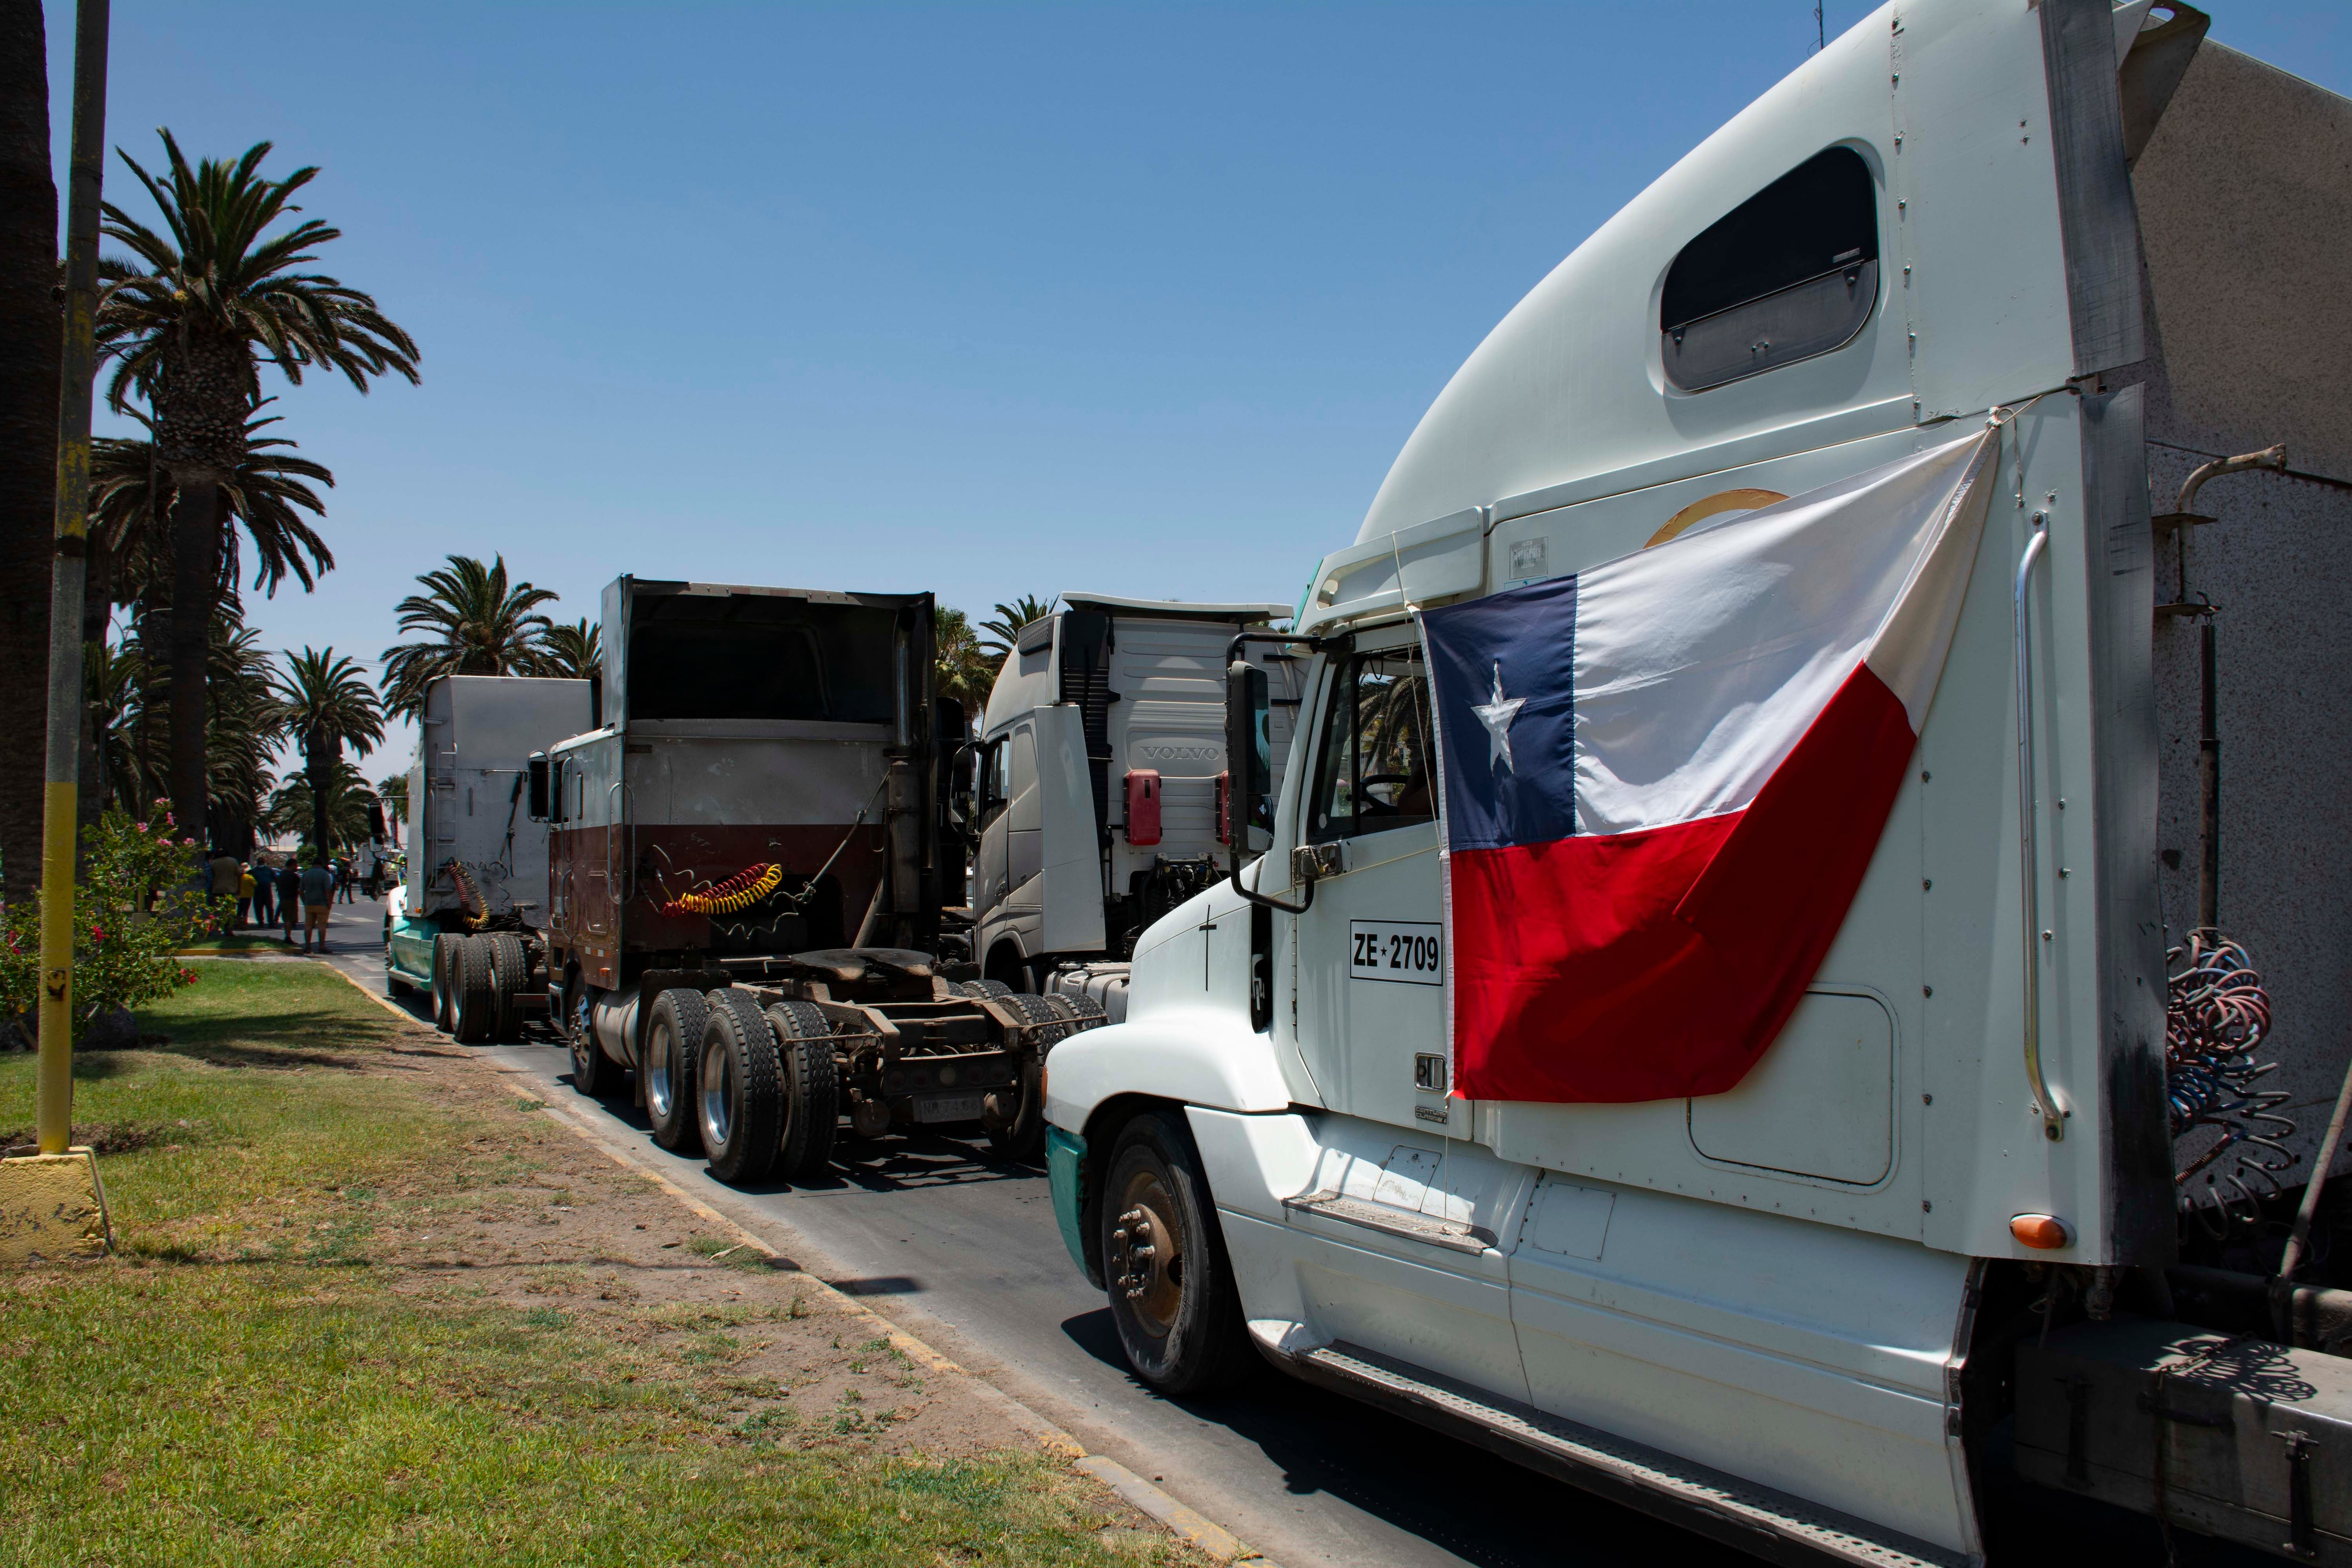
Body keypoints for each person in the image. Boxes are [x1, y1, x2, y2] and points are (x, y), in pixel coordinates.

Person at [299, 852, 335, 954]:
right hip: (322, 903)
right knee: (322, 926)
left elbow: (301, 890)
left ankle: (307, 947)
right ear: (322, 864)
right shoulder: (325, 874)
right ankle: (322, 946)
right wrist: (329, 903)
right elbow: (328, 890)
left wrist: (304, 901)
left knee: (308, 925)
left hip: (309, 903)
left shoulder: (306, 874)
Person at [279, 858, 304, 944]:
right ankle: (288, 937)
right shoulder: (294, 876)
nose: (297, 867)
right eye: (296, 865)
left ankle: (288, 936)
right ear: (292, 865)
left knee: (287, 919)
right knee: (289, 919)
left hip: (284, 898)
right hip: (291, 899)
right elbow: (299, 887)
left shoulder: (282, 874)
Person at [251, 855, 275, 928]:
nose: (261, 863)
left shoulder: (269, 870)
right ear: (257, 863)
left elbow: (274, 878)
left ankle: (271, 922)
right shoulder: (254, 871)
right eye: (259, 862)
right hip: (257, 892)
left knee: (270, 908)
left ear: (264, 862)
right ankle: (260, 922)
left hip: (267, 892)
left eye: (262, 862)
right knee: (258, 908)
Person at [237, 863, 255, 928]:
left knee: (239, 910)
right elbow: (255, 884)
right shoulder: (249, 877)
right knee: (245, 910)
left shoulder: (238, 877)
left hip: (239, 895)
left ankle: (238, 923)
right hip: (248, 896)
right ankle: (244, 923)